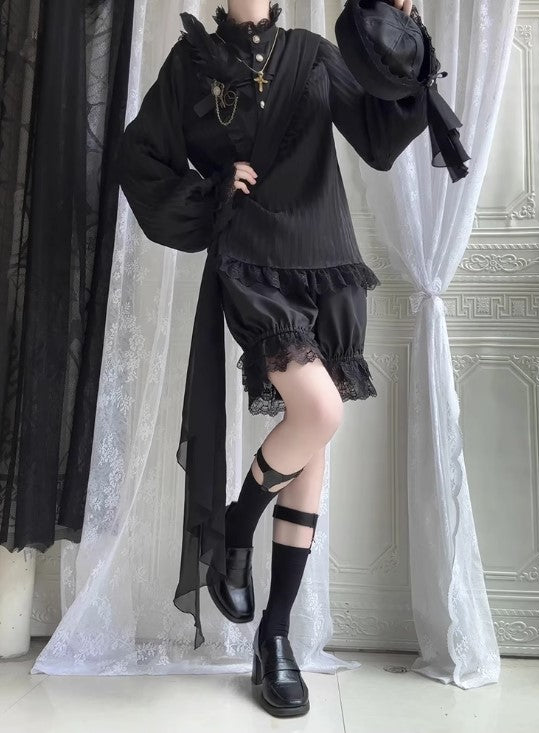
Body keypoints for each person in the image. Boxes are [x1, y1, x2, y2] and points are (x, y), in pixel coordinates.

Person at [118, 0, 427, 718]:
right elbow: (140, 159)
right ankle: (236, 530)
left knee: (311, 439)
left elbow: (380, 138)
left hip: (326, 259)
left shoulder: (314, 54)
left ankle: (275, 631)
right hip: (253, 262)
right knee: (318, 413)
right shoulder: (190, 64)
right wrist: (213, 189)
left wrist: (401, 36)